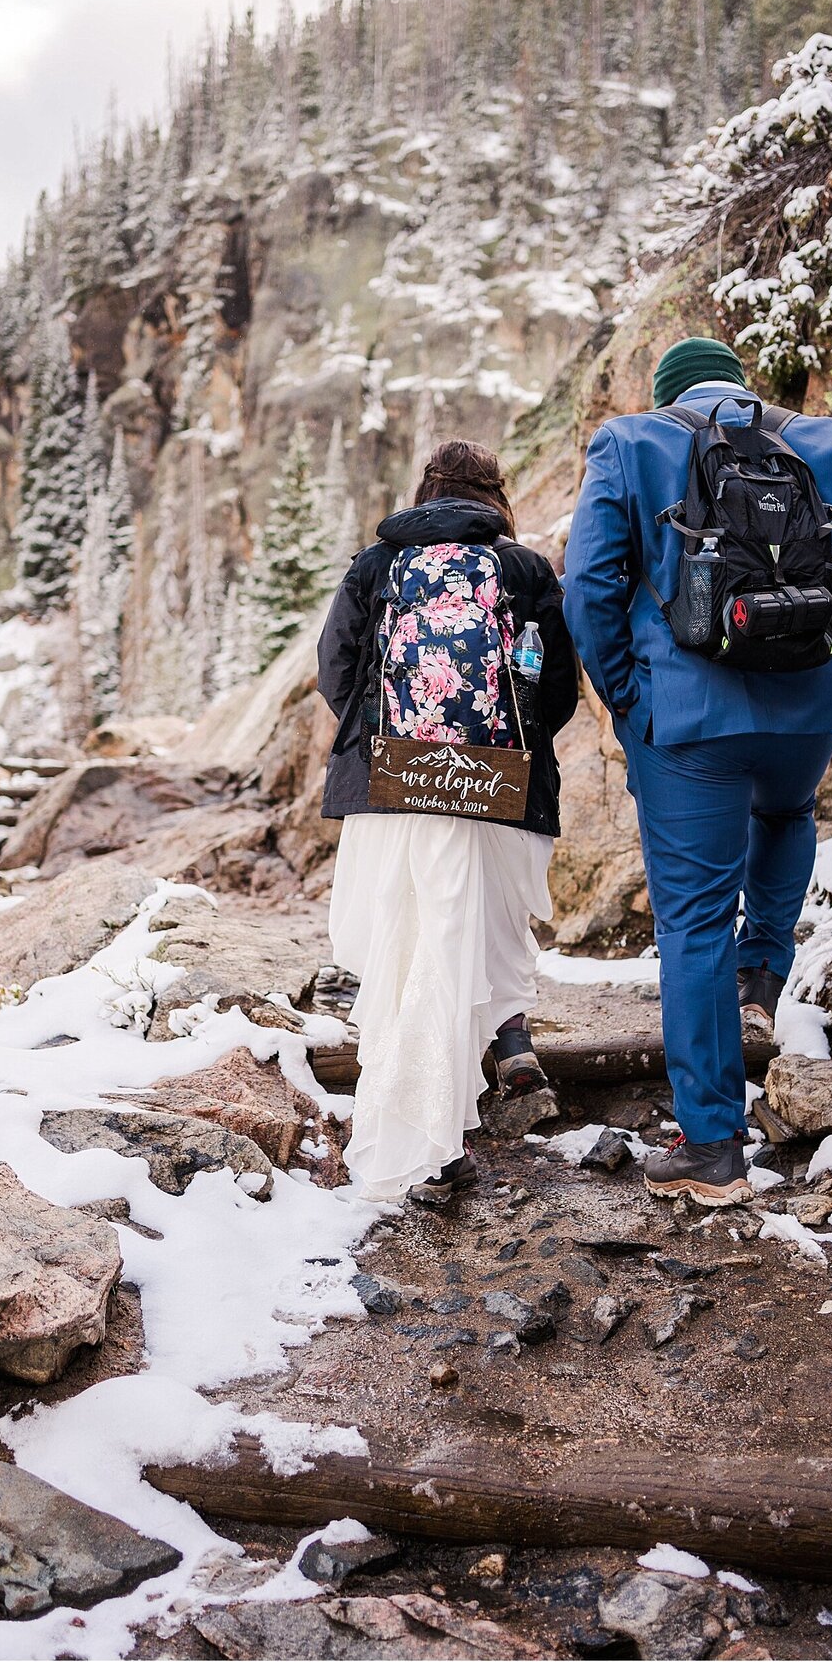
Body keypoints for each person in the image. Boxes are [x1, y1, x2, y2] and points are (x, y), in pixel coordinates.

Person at [562, 336, 832, 1207]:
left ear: (669, 394)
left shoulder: (632, 442)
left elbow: (587, 587)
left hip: (687, 718)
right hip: (804, 709)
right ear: (738, 385)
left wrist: (628, 696)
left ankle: (713, 1147)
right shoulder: (831, 443)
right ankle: (762, 973)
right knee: (786, 814)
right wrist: (831, 649)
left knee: (691, 923)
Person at [318, 439, 579, 1204]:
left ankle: (425, 1142)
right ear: (493, 494)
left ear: (425, 488)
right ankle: (506, 1048)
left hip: (394, 783)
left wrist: (390, 745)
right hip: (497, 787)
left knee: (410, 958)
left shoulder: (379, 563)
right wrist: (490, 752)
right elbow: (556, 686)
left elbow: (336, 665)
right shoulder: (524, 568)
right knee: (470, 941)